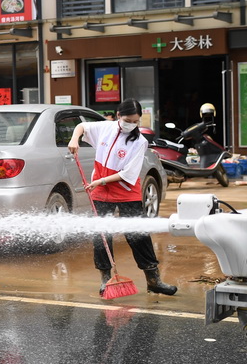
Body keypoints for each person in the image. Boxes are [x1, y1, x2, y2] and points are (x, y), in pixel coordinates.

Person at [67, 98, 177, 296]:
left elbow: (128, 174)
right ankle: (106, 280)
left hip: (125, 190)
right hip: (100, 190)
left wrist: (99, 181)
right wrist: (74, 139)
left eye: (136, 121)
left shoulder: (140, 142)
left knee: (137, 235)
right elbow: (81, 126)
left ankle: (154, 280)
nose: (132, 125)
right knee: (101, 235)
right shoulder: (106, 128)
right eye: (128, 120)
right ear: (118, 115)